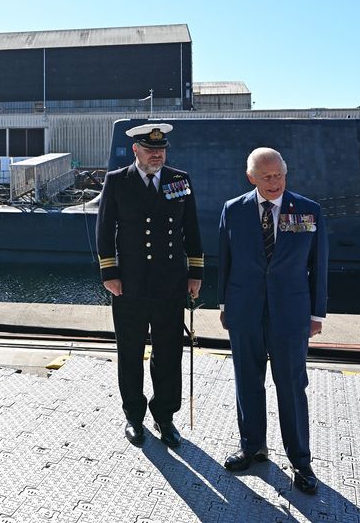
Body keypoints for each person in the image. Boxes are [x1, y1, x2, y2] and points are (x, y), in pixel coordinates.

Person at [217, 147, 328, 494]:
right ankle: (252, 447)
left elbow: (318, 265)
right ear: (250, 177)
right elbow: (226, 261)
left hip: (291, 314)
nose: (274, 182)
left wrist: (316, 313)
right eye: (266, 177)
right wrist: (224, 304)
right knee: (247, 381)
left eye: (279, 175)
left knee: (292, 387)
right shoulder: (233, 211)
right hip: (244, 310)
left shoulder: (308, 211)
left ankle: (301, 460)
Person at [96, 122, 203, 448]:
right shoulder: (117, 182)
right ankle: (133, 416)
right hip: (129, 283)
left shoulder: (178, 180)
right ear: (136, 150)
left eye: (161, 149)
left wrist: (195, 273)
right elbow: (104, 231)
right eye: (150, 149)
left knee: (169, 352)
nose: (157, 154)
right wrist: (109, 274)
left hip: (170, 283)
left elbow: (191, 227)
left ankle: (164, 415)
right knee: (130, 351)